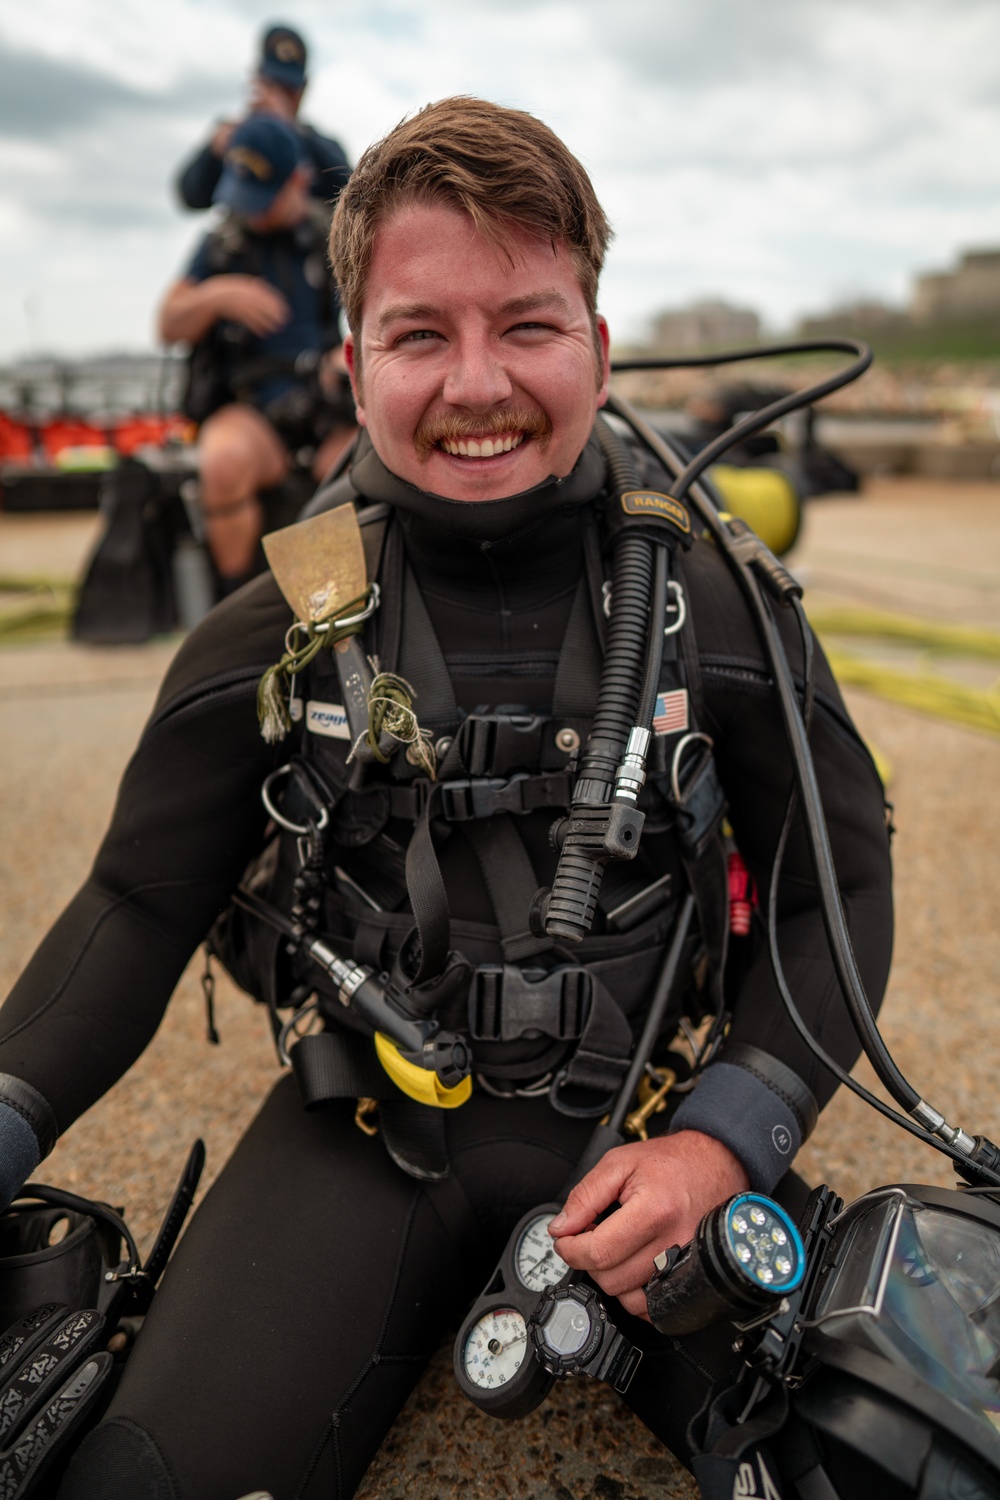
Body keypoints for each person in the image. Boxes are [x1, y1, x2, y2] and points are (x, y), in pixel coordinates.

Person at [0, 98, 893, 1499]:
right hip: (363, 1127)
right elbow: (134, 900)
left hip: (647, 1132)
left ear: (598, 349)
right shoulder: (276, 624)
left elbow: (842, 874)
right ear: (355, 371)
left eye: (526, 325)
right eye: (421, 334)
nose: (477, 382)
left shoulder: (712, 602)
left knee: (899, 1456)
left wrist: (730, 1135)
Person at [160, 113, 355, 590]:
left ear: (298, 182)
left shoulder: (329, 236)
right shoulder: (222, 246)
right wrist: (218, 296)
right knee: (222, 461)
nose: (252, 211)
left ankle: (344, 611)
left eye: (264, 200)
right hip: (251, 409)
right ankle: (235, 607)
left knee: (362, 464)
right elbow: (168, 325)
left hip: (323, 401)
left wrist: (344, 360)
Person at [175, 23, 351, 213]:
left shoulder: (318, 145)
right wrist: (212, 153)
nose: (277, 98)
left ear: (303, 90)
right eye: (271, 85)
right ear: (256, 80)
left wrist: (291, 128)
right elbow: (191, 197)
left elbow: (351, 195)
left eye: (287, 90)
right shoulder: (234, 134)